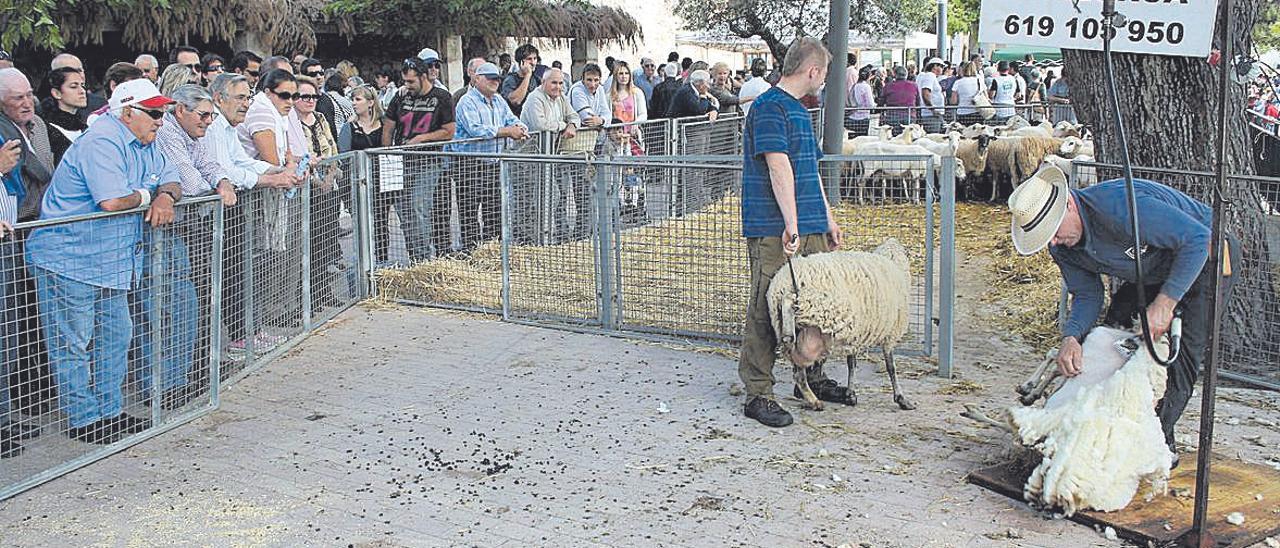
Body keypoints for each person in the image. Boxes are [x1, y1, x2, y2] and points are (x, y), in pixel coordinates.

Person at [1008, 166, 1239, 466]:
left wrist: (1165, 304)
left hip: (1207, 255)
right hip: (1154, 267)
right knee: (1110, 334)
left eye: (1052, 231)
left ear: (1068, 205)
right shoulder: (1062, 247)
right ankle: (1094, 424)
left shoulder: (1121, 207)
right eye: (1045, 237)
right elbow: (1089, 294)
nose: (1052, 243)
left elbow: (1197, 238)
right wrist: (1071, 336)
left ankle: (1157, 442)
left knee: (1180, 356)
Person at [25, 78, 183, 444]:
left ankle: (109, 412)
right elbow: (111, 201)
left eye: (163, 112)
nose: (161, 120)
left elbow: (173, 177)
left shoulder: (146, 141)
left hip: (111, 263)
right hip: (69, 260)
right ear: (128, 112)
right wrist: (150, 194)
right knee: (74, 343)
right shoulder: (102, 142)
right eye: (154, 112)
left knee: (115, 336)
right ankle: (83, 419)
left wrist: (166, 198)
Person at [739, 37, 845, 428]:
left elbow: (808, 170)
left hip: (807, 223)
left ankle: (811, 377)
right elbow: (777, 166)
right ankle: (758, 392)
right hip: (775, 226)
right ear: (813, 71)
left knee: (816, 305)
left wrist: (827, 218)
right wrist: (791, 224)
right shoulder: (768, 107)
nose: (823, 81)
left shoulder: (800, 110)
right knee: (769, 304)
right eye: (824, 74)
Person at [146, 84, 232, 410]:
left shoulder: (192, 134)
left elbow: (210, 167)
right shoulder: (168, 132)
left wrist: (222, 182)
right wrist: (217, 186)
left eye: (212, 115)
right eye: (204, 114)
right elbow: (190, 183)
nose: (209, 121)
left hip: (183, 230)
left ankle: (182, 378)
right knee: (168, 309)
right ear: (179, 110)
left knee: (189, 304)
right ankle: (167, 384)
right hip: (164, 233)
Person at [204, 73, 299, 361]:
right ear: (220, 98)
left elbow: (242, 162)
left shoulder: (229, 126)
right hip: (213, 214)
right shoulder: (215, 126)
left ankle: (246, 332)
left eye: (248, 97)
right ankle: (227, 342)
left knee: (239, 271)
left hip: (233, 208)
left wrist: (275, 172)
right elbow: (225, 170)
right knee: (226, 276)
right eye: (241, 97)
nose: (246, 103)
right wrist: (272, 178)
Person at [0, 68, 56, 456]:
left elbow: (38, 170)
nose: (26, 103)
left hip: (11, 235)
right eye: (16, 97)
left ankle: (5, 415)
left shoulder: (22, 128)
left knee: (9, 331)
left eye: (28, 95)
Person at [382, 53, 455, 262]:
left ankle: (423, 258)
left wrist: (422, 138)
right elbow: (389, 125)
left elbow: (449, 131)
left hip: (428, 161)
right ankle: (414, 256)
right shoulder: (400, 96)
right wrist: (387, 153)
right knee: (404, 211)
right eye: (405, 81)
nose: (408, 85)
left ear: (423, 77)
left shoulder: (441, 97)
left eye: (411, 81)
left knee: (418, 205)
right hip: (400, 160)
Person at [454, 62, 528, 250]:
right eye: (489, 78)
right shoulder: (466, 101)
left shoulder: (499, 100)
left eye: (496, 78)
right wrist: (508, 131)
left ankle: (492, 252)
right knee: (469, 212)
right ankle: (470, 252)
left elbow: (513, 119)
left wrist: (520, 128)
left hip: (494, 162)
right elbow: (476, 130)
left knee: (494, 209)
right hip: (470, 164)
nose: (494, 82)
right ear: (477, 79)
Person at [291, 76, 344, 311]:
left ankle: (324, 291)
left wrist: (330, 177)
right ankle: (307, 296)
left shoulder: (321, 118)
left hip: (328, 187)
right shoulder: (291, 123)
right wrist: (316, 182)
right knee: (308, 244)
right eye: (304, 96)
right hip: (307, 189)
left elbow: (332, 148)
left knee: (326, 241)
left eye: (314, 96)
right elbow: (296, 156)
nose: (310, 101)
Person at [338, 85, 398, 263]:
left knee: (380, 223)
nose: (354, 103)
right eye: (353, 99)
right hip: (357, 183)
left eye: (358, 99)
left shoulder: (385, 124)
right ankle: (362, 263)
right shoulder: (349, 127)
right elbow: (343, 155)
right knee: (361, 225)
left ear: (371, 102)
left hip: (382, 182)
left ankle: (381, 262)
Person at [38, 67, 87, 161]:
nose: (82, 91)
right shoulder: (46, 130)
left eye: (82, 85)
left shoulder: (85, 127)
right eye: (74, 86)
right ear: (56, 93)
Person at [500, 44, 543, 115]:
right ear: (521, 62)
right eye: (529, 59)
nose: (533, 62)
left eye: (535, 58)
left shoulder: (536, 79)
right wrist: (527, 75)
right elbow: (516, 101)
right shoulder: (510, 80)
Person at [880, 65, 919, 134]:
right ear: (906, 75)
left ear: (894, 74)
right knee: (908, 138)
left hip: (892, 117)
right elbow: (918, 102)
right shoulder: (914, 85)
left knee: (894, 140)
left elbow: (881, 103)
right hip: (909, 116)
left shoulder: (888, 86)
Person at [569, 63, 610, 129]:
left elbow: (607, 113)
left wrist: (601, 120)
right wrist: (602, 120)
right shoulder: (577, 90)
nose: (593, 84)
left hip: (595, 134)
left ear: (600, 79)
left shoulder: (600, 88)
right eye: (589, 80)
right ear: (583, 79)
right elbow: (587, 119)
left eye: (596, 80)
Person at [948, 61, 986, 127]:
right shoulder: (979, 80)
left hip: (963, 112)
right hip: (977, 112)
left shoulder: (958, 82)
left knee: (963, 134)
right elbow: (986, 96)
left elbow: (953, 101)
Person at [845, 65, 877, 135]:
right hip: (863, 117)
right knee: (862, 140)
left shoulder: (854, 86)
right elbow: (870, 104)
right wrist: (875, 105)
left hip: (852, 116)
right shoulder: (866, 87)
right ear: (869, 76)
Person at [915, 57, 945, 133]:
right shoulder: (930, 76)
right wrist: (933, 109)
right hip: (931, 114)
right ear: (935, 66)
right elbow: (925, 93)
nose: (942, 69)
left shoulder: (926, 76)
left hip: (931, 113)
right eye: (941, 66)